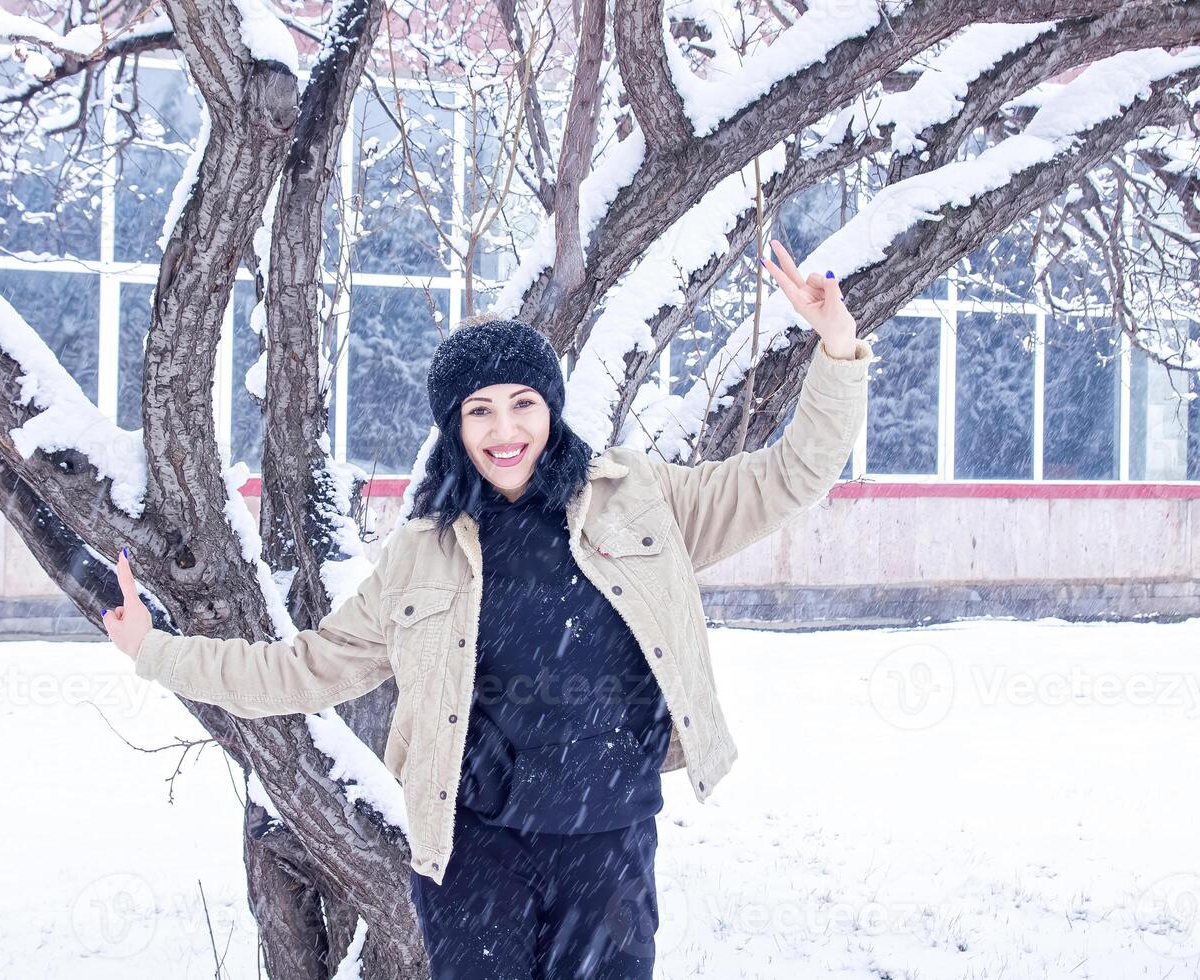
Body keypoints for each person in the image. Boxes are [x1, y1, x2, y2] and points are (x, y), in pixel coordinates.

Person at [103, 238, 872, 978]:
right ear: (454, 426)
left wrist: (835, 347)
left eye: (522, 404)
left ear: (551, 407)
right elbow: (306, 668)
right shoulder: (423, 553)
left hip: (607, 839)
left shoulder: (639, 498)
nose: (505, 430)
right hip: (476, 852)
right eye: (480, 411)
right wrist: (154, 651)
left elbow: (792, 475)